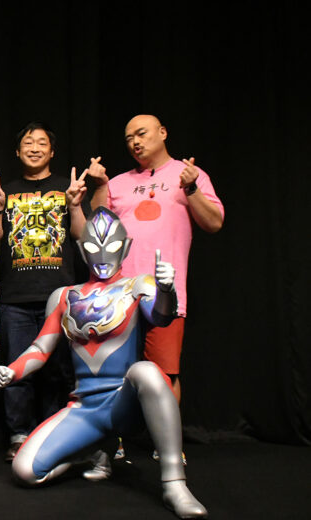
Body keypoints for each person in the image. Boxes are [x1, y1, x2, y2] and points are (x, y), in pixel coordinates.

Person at [0, 207, 207, 519]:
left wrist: (165, 291)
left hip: (125, 403)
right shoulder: (64, 296)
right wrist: (11, 371)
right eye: (94, 247)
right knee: (24, 471)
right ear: (82, 250)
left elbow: (161, 317)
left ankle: (174, 483)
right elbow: (40, 348)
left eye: (113, 246)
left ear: (126, 247)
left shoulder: (139, 286)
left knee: (146, 371)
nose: (103, 255)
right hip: (84, 409)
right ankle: (90, 451)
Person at [88, 114, 224, 404]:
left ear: (162, 132)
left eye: (141, 134)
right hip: (119, 293)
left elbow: (214, 222)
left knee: (164, 374)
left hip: (164, 292)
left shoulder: (188, 174)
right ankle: (119, 432)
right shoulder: (118, 183)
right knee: (113, 373)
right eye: (129, 138)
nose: (135, 143)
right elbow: (96, 227)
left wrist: (191, 188)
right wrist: (100, 185)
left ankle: (166, 435)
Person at [0, 121, 93, 462]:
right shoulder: (8, 191)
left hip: (60, 299)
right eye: (28, 143)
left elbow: (82, 237)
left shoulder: (65, 188)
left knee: (58, 372)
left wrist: (75, 205)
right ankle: (19, 436)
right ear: (17, 152)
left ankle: (54, 436)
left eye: (42, 143)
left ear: (52, 151)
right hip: (14, 298)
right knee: (17, 369)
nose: (34, 148)